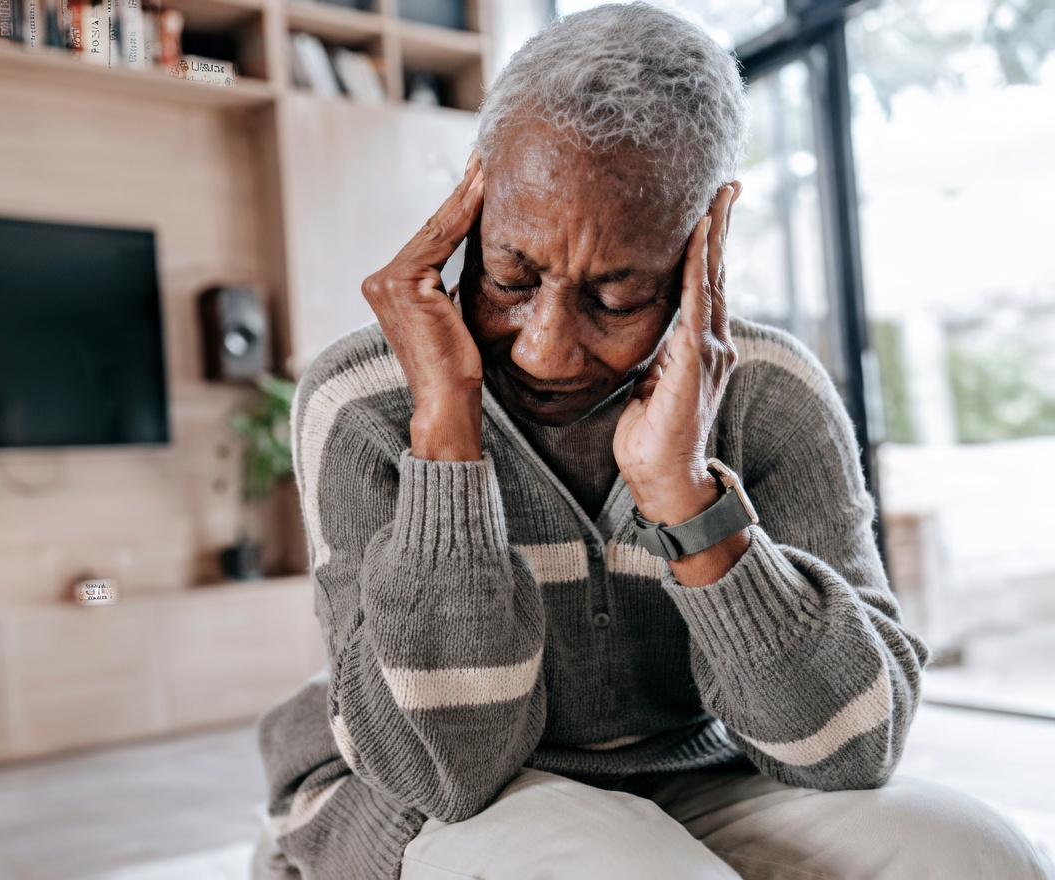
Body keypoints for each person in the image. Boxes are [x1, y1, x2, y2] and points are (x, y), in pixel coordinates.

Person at [254, 4, 1054, 878]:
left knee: (978, 855)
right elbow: (447, 771)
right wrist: (446, 438)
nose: (545, 345)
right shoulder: (363, 399)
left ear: (704, 239)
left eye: (616, 297)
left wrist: (685, 496)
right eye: (511, 274)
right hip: (425, 789)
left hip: (694, 768)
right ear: (474, 200)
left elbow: (850, 750)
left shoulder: (772, 394)